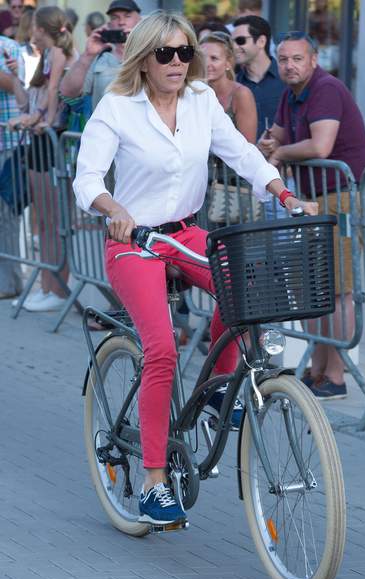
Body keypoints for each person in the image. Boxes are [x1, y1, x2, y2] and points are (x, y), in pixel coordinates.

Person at [73, 11, 316, 527]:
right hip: (135, 240)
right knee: (161, 348)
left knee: (246, 291)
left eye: (185, 52)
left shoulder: (203, 102)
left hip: (183, 232)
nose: (179, 62)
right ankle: (153, 480)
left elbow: (241, 154)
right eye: (166, 53)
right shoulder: (117, 108)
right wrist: (113, 209)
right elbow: (86, 178)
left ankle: (215, 397)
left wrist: (285, 194)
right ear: (143, 57)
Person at [258, 31, 365, 400]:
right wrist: (268, 145)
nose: (288, 65)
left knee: (339, 290)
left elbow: (320, 145)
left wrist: (279, 154)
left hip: (341, 197)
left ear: (313, 59)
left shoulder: (325, 88)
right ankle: (319, 369)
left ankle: (335, 376)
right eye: (283, 59)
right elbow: (273, 136)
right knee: (315, 289)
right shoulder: (291, 95)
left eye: (296, 58)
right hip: (312, 200)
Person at [8, 6, 78, 312]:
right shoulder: (46, 55)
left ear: (42, 28)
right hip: (39, 139)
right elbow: (35, 96)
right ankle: (49, 285)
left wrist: (44, 121)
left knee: (54, 220)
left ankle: (58, 289)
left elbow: (54, 93)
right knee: (46, 220)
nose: (30, 30)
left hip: (52, 141)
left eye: (34, 25)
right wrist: (35, 117)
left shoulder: (60, 54)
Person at [59, 0, 141, 113]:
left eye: (127, 16)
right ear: (109, 24)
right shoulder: (100, 56)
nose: (121, 22)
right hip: (105, 129)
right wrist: (88, 55)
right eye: (115, 17)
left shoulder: (152, 53)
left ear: (139, 21)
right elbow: (68, 94)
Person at [0, 27, 25, 300]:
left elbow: (18, 86)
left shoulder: (8, 47)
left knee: (6, 216)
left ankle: (9, 282)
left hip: (8, 142)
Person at [232, 15, 284, 141]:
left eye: (240, 40)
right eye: (231, 42)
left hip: (283, 158)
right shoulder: (234, 85)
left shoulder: (287, 80)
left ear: (261, 41)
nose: (234, 47)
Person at [200, 31, 257, 142]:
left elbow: (248, 147)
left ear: (228, 63)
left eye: (214, 58)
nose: (206, 64)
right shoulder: (195, 93)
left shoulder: (241, 94)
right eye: (202, 58)